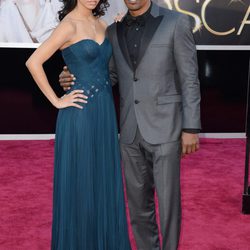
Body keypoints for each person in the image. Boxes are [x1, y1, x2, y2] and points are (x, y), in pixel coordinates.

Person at [60, 0, 201, 249]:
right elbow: (109, 75)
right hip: (129, 130)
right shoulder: (113, 30)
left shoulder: (176, 22)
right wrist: (73, 77)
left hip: (166, 128)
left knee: (168, 205)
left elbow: (189, 78)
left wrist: (190, 128)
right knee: (138, 206)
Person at [25, 0, 131, 249]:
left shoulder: (102, 23)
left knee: (103, 181)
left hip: (105, 112)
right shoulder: (68, 25)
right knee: (82, 183)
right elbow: (33, 62)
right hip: (79, 114)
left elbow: (109, 67)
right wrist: (57, 100)